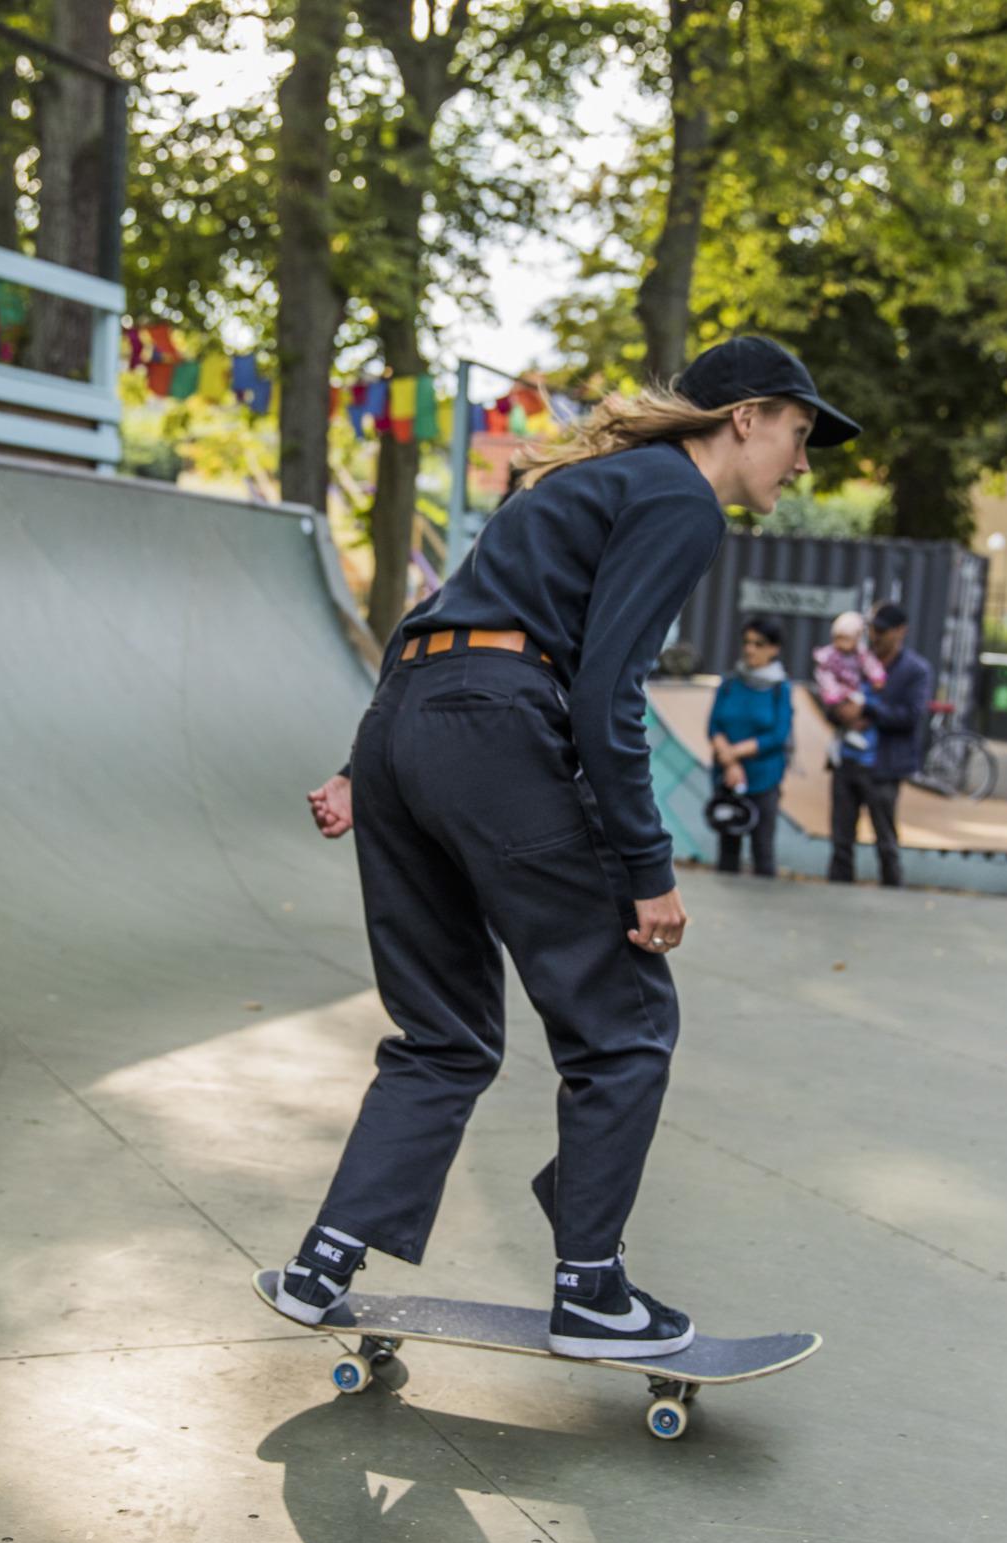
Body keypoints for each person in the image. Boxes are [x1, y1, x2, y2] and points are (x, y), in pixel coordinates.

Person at [285, 337, 859, 1358]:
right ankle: (590, 1290)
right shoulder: (680, 500)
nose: (801, 463)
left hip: (406, 719)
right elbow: (604, 695)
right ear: (745, 417)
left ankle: (324, 1259)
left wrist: (363, 766)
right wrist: (646, 872)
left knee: (443, 1033)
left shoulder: (583, 481)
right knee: (625, 1022)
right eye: (799, 434)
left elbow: (435, 617)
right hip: (498, 731)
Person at [827, 602, 932, 887]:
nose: (875, 636)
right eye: (872, 629)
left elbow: (911, 717)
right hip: (847, 761)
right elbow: (830, 697)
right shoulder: (852, 660)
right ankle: (836, 898)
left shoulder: (915, 670)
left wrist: (868, 711)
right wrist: (840, 711)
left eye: (882, 631)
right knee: (840, 842)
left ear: (901, 631)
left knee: (886, 842)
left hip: (883, 767)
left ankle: (891, 893)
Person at [707, 615, 794, 877]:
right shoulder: (730, 683)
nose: (750, 649)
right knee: (727, 851)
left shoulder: (780, 689)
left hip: (764, 779)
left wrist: (734, 753)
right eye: (747, 642)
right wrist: (731, 764)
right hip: (727, 778)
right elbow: (714, 727)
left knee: (762, 851)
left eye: (759, 643)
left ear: (774, 649)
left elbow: (778, 735)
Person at [813, 611, 886, 753]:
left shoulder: (860, 654)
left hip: (853, 690)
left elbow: (871, 665)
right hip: (837, 692)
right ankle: (841, 739)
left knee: (858, 705)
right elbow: (824, 675)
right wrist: (832, 693)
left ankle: (849, 734)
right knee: (844, 713)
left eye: (847, 639)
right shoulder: (829, 656)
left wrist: (878, 677)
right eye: (839, 639)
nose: (842, 644)